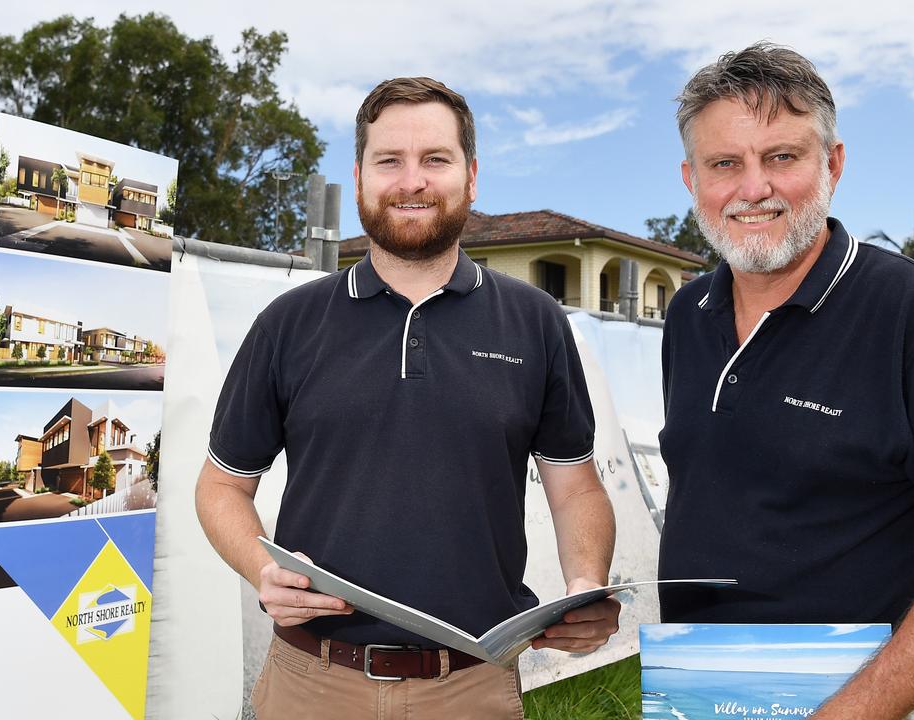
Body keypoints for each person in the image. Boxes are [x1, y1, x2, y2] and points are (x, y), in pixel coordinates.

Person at [195, 76, 621, 719]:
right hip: (311, 682)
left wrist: (585, 583)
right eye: (388, 160)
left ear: (471, 177)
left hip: (473, 686)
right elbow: (221, 487)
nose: (412, 180)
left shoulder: (535, 322)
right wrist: (263, 568)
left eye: (436, 160)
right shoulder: (289, 323)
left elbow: (577, 488)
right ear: (361, 177)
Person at [658, 42, 914, 719]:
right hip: (693, 688)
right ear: (691, 179)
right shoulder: (688, 315)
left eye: (782, 157)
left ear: (833, 164)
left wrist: (843, 714)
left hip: (850, 698)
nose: (753, 189)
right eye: (725, 164)